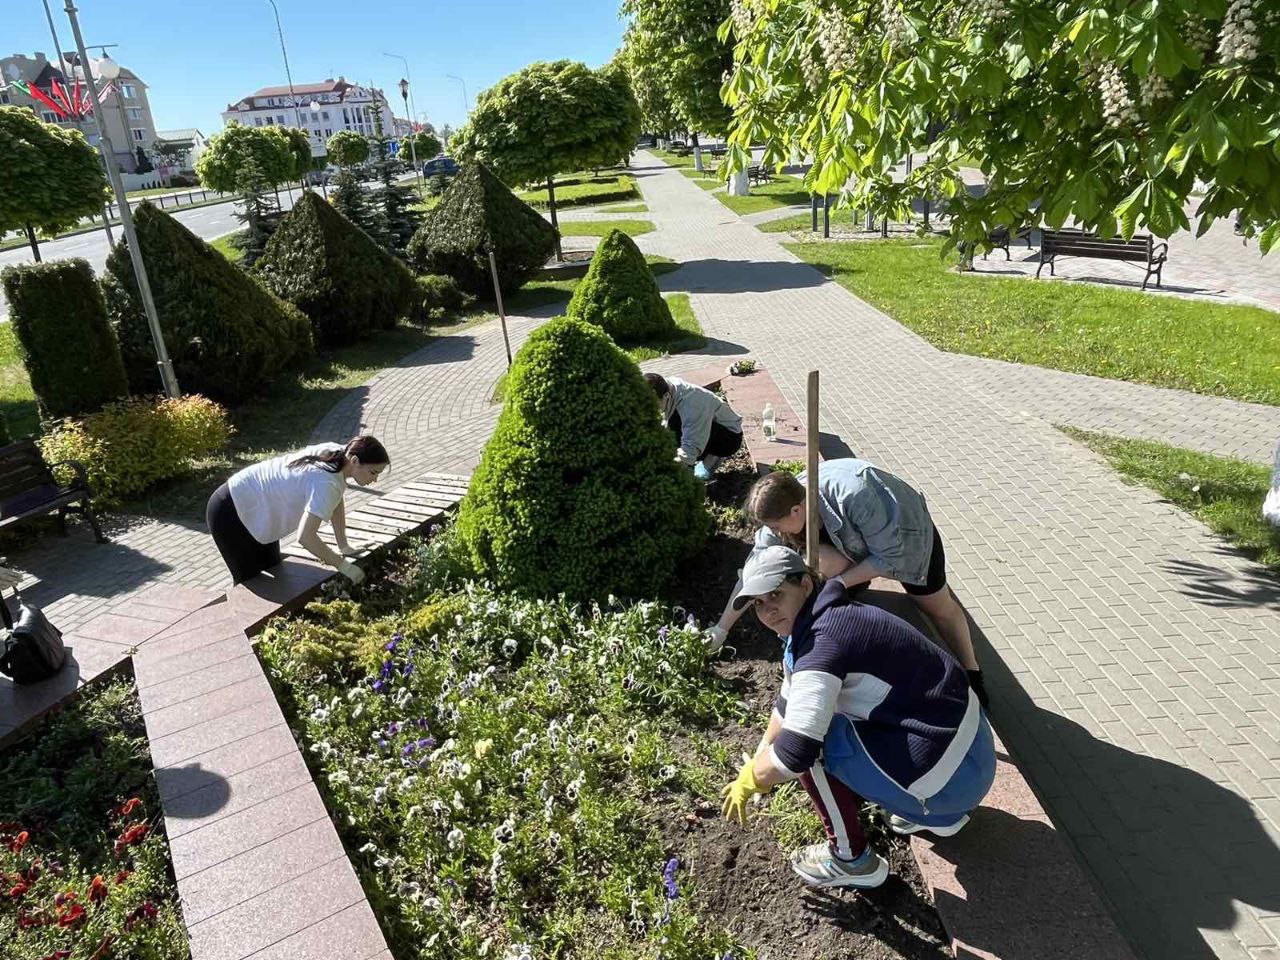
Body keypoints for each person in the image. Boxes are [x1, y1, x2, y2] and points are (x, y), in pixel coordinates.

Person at [720, 545, 996, 889]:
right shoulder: (832, 613)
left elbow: (797, 751)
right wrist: (762, 750)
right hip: (975, 755)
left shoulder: (822, 644)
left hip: (950, 781)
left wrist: (753, 778)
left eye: (775, 594)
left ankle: (851, 859)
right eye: (758, 603)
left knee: (817, 745)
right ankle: (942, 817)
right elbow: (790, 699)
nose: (768, 610)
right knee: (817, 718)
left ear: (805, 584)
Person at [706, 459, 987, 705]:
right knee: (816, 578)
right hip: (850, 546)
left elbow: (888, 557)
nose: (772, 532)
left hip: (905, 538)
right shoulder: (786, 506)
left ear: (796, 510)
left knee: (937, 608)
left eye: (776, 527)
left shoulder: (857, 495)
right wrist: (722, 628)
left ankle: (973, 672)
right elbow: (755, 571)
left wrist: (838, 583)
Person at [206, 436, 389, 586]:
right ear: (355, 461)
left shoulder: (340, 453)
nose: (375, 481)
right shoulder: (327, 481)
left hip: (256, 507)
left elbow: (336, 497)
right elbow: (305, 537)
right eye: (373, 473)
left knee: (273, 567)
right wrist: (343, 566)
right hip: (229, 511)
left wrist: (344, 546)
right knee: (250, 584)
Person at [644, 373, 744, 481]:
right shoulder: (666, 387)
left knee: (676, 433)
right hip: (705, 426)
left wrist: (667, 475)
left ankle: (711, 458)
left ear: (666, 396)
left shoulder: (691, 406)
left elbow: (690, 448)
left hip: (729, 437)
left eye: (653, 405)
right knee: (670, 432)